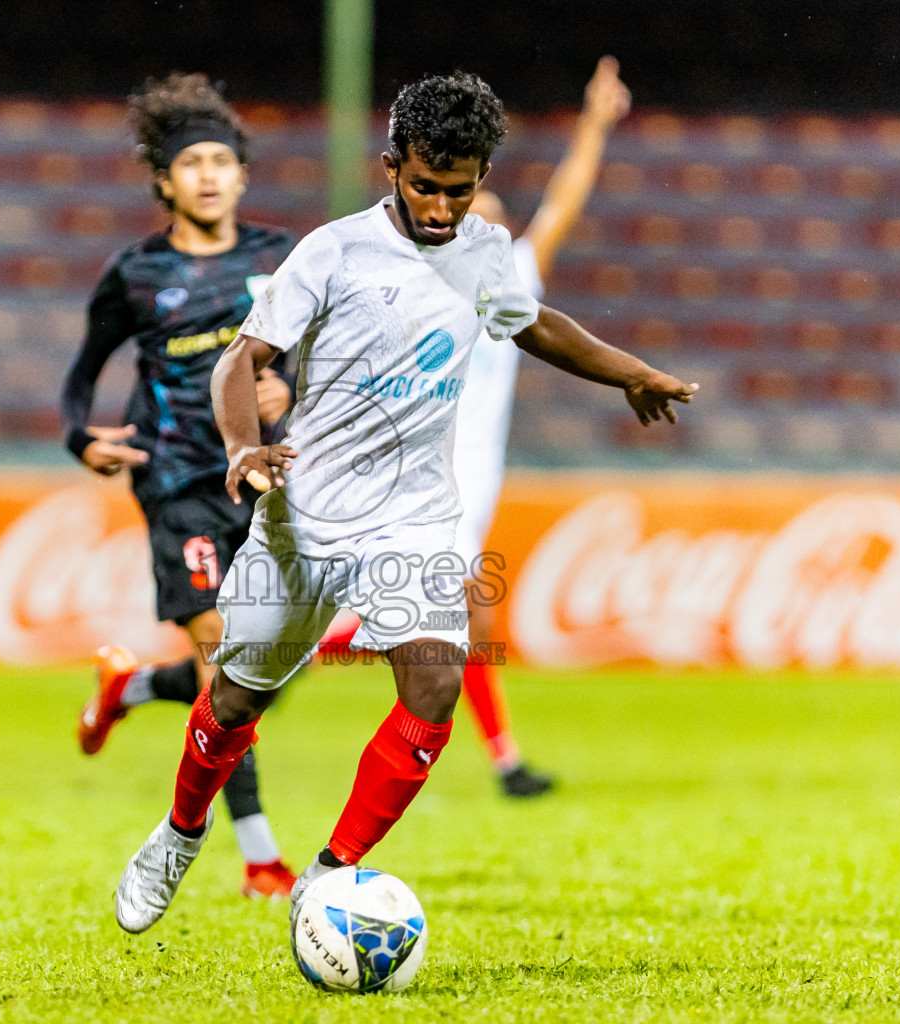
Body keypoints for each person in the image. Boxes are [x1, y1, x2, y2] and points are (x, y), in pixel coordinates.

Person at [114, 70, 697, 933]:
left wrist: (632, 373)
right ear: (393, 165)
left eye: (458, 190)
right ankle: (178, 833)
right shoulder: (333, 251)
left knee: (433, 688)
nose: (439, 206)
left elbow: (538, 324)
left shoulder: (484, 252)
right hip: (304, 511)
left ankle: (329, 874)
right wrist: (244, 448)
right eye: (425, 185)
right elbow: (241, 361)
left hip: (415, 518)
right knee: (237, 699)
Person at [315, 57, 634, 800]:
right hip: (427, 478)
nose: (472, 217)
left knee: (449, 614)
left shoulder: (512, 274)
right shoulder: (413, 280)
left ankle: (271, 667)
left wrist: (593, 123)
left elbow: (563, 201)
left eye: (482, 206)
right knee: (446, 616)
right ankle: (503, 761)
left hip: (473, 474)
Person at [60, 72, 298, 900]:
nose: (206, 174)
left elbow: (313, 355)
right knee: (219, 653)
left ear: (240, 174)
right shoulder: (134, 274)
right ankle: (262, 858)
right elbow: (83, 375)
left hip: (261, 479)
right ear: (164, 180)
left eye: (219, 161)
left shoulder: (279, 258)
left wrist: (290, 389)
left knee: (268, 668)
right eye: (189, 162)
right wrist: (78, 437)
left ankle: (127, 685)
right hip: (175, 482)